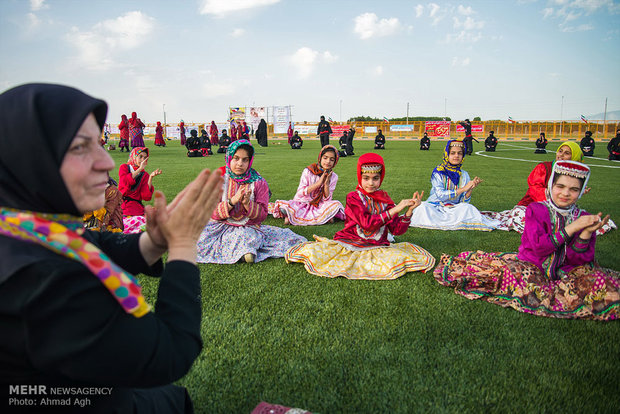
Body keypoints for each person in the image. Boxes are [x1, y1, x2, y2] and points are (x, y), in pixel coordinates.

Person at [0, 83, 225, 412]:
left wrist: (156, 239)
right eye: (79, 147)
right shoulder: (44, 280)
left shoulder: (22, 224)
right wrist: (183, 245)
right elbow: (171, 353)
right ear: (29, 156)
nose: (106, 162)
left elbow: (92, 243)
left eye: (100, 144)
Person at [434, 160, 619, 320]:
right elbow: (540, 249)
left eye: (574, 189)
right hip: (531, 267)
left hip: (567, 272)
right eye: (560, 187)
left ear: (581, 192)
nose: (565, 193)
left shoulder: (583, 217)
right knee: (508, 278)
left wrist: (586, 233)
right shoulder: (536, 210)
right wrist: (573, 228)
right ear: (550, 188)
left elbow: (580, 261)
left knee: (603, 286)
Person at [285, 153, 435, 280]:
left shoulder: (385, 199)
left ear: (381, 178)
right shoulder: (353, 197)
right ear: (359, 176)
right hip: (350, 243)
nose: (371, 183)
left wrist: (409, 211)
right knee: (319, 255)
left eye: (375, 178)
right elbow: (367, 224)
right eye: (366, 178)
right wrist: (396, 208)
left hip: (377, 245)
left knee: (401, 258)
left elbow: (396, 230)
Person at [196, 140, 306, 264]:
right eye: (236, 158)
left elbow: (263, 215)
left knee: (245, 237)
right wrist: (232, 201)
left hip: (248, 227)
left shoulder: (259, 182)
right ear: (228, 158)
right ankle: (242, 252)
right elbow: (212, 212)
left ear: (250, 161)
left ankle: (245, 252)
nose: (239, 164)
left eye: (245, 160)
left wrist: (248, 204)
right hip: (220, 226)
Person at [480, 141, 616, 235]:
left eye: (567, 153)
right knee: (519, 216)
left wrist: (576, 192)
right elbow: (534, 190)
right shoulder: (544, 167)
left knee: (584, 219)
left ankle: (561, 228)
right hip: (532, 208)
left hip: (559, 211)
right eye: (560, 151)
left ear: (574, 157)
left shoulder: (575, 174)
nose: (561, 155)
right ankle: (561, 230)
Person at [409, 140, 500, 231]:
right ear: (447, 155)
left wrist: (470, 189)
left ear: (463, 156)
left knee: (468, 208)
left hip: (454, 209)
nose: (456, 156)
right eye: (453, 153)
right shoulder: (438, 172)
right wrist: (463, 189)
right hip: (435, 207)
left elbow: (463, 202)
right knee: (422, 208)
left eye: (459, 153)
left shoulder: (464, 175)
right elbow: (441, 195)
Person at [270, 145, 345, 226]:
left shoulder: (333, 176)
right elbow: (300, 193)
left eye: (332, 159)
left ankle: (291, 216)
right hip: (302, 203)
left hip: (319, 205)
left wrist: (326, 184)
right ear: (320, 158)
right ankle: (291, 214)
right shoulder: (308, 171)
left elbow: (327, 200)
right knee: (285, 207)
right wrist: (318, 183)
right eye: (325, 158)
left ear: (335, 162)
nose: (328, 162)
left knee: (336, 205)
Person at [119, 147, 162, 233]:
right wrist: (139, 169)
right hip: (123, 207)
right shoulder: (124, 167)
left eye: (145, 158)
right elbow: (124, 184)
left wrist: (150, 177)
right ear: (134, 157)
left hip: (137, 208)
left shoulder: (144, 175)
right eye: (140, 157)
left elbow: (146, 196)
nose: (142, 160)